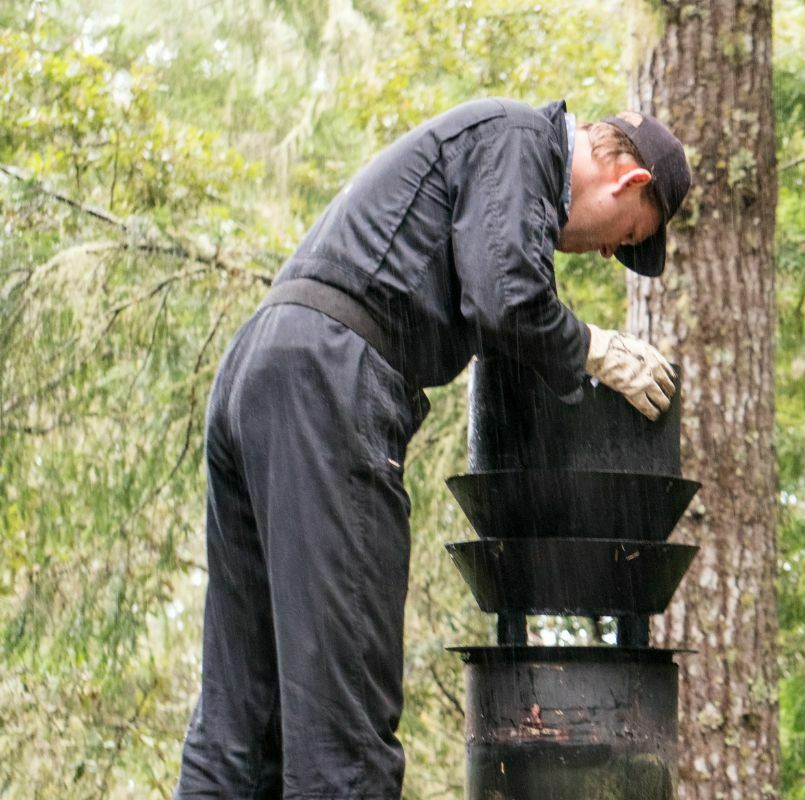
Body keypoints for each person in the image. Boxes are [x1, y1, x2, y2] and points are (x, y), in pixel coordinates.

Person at [175, 97, 691, 798]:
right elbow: (507, 296)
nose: (607, 252)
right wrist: (595, 348)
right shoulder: (521, 143)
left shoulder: (494, 165)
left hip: (261, 372)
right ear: (627, 181)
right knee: (342, 722)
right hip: (329, 381)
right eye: (624, 236)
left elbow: (497, 298)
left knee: (240, 717)